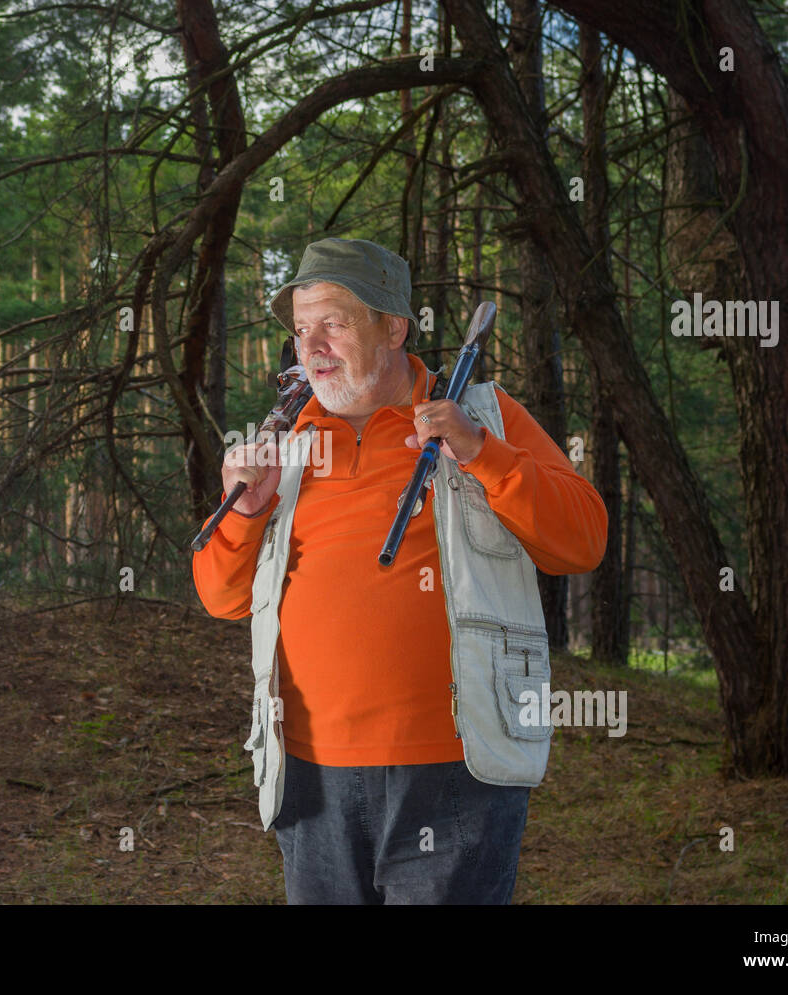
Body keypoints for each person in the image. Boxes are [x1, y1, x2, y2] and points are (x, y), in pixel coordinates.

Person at [192, 237, 607, 904]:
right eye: (301, 330)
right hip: (307, 774)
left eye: (333, 321)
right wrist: (244, 511)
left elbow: (583, 540)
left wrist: (481, 454)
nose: (312, 344)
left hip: (455, 770)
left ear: (393, 326)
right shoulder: (283, 444)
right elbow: (220, 597)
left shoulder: (483, 416)